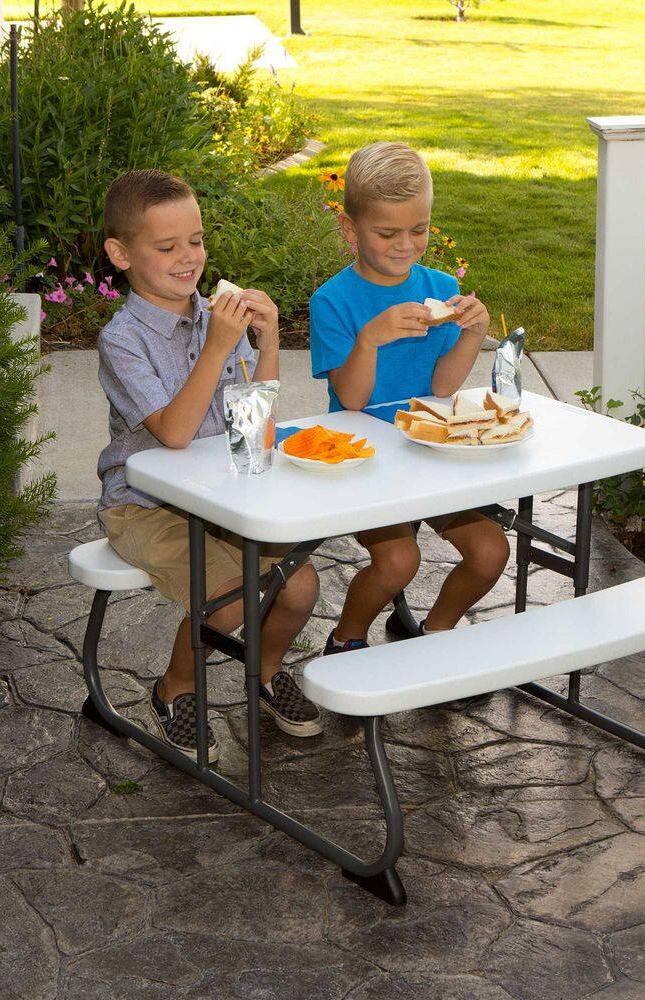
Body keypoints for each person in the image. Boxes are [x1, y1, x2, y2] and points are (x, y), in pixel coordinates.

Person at [96, 169, 323, 762]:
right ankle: (176, 689)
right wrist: (220, 346)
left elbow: (255, 428)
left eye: (195, 241)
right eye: (166, 247)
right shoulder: (122, 340)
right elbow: (172, 433)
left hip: (222, 493)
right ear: (120, 255)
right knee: (232, 600)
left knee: (300, 587)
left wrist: (268, 342)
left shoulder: (213, 316)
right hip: (145, 505)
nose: (188, 257)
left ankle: (264, 672)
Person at [309, 142, 510, 655]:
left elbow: (442, 388)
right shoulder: (333, 300)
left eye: (418, 230)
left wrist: (471, 333)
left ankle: (433, 632)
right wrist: (370, 338)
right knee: (399, 561)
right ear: (350, 231)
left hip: (426, 446)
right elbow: (351, 400)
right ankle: (345, 638)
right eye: (387, 233)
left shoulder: (440, 285)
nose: (405, 245)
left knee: (490, 552)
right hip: (365, 454)